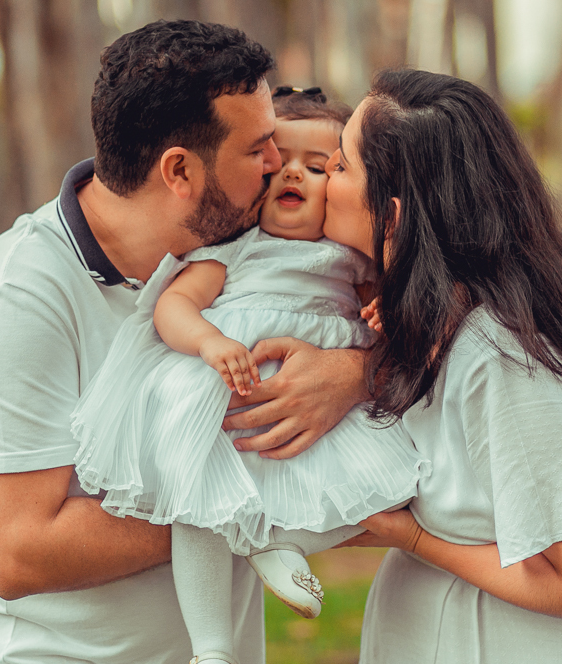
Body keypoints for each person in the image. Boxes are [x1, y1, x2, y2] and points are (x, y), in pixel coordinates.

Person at [0, 21, 372, 664]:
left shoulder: (238, 254)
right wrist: (247, 510)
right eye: (258, 150)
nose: (279, 164)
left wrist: (353, 372)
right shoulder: (18, 300)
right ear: (180, 172)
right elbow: (17, 551)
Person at [69, 86, 426, 664]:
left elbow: (398, 323)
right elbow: (172, 307)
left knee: (395, 486)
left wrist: (391, 310)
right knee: (194, 507)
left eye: (319, 167)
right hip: (220, 399)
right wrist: (211, 342)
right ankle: (211, 649)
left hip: (317, 416)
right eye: (279, 163)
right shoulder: (236, 248)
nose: (293, 175)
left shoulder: (351, 258)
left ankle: (274, 541)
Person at [325, 70, 562, 663]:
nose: (321, 174)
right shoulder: (424, 327)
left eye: (341, 165)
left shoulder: (508, 357)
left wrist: (415, 538)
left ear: (394, 216)